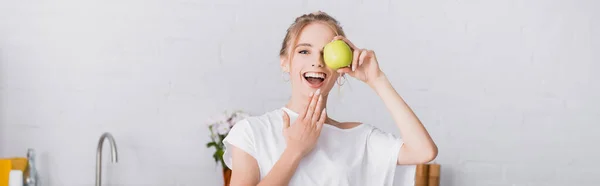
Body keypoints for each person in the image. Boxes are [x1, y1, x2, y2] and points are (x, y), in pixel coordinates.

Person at [221, 11, 437, 186]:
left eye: (327, 53)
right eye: (304, 51)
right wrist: (295, 151)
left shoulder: (358, 138)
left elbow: (423, 151)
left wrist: (377, 79)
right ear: (285, 62)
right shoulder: (251, 132)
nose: (317, 62)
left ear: (341, 69)